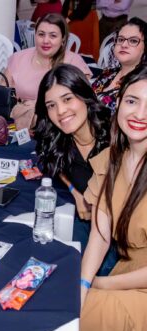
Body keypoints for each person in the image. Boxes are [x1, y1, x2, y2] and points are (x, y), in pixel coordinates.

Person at [75, 63, 147, 331]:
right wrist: (83, 284)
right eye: (132, 101)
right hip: (125, 273)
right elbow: (100, 236)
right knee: (73, 304)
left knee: (95, 316)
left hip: (135, 285)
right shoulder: (113, 159)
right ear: (119, 103)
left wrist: (100, 285)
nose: (140, 114)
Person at [34, 64, 117, 273]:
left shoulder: (115, 135)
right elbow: (50, 164)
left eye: (67, 99)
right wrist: (75, 192)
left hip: (120, 230)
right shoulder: (58, 138)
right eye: (51, 105)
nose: (60, 111)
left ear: (85, 96)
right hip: (88, 224)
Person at [3, 13, 91, 130]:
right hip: (17, 122)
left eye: (53, 36)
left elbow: (84, 99)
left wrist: (39, 105)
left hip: (59, 125)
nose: (45, 40)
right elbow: (2, 93)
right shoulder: (18, 58)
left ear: (63, 39)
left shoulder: (73, 61)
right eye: (41, 34)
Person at [92, 17, 146, 115]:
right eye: (120, 39)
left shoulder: (142, 82)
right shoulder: (108, 73)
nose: (124, 45)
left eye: (133, 41)